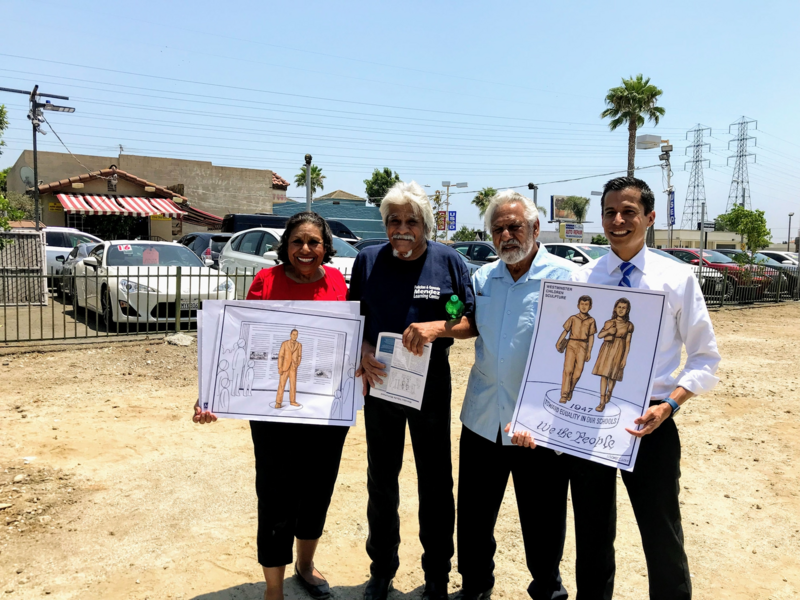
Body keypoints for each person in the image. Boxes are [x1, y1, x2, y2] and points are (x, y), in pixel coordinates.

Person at [510, 177, 721, 600]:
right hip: (593, 421)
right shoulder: (583, 278)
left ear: (649, 217)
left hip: (653, 422)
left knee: (661, 530)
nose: (618, 220)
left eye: (628, 212)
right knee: (592, 532)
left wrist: (671, 406)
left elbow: (705, 359)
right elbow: (557, 353)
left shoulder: (676, 279)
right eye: (610, 212)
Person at [457, 190, 618, 600]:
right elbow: (463, 321)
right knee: (473, 516)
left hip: (538, 425)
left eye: (515, 226)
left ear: (534, 228)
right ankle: (475, 588)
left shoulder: (568, 279)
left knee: (543, 519)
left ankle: (547, 590)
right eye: (499, 229)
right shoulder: (482, 278)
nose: (507, 235)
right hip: (482, 417)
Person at [193, 211, 349, 600]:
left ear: (325, 247)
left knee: (318, 489)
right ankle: (274, 589)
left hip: (325, 412)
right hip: (272, 415)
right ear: (285, 246)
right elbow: (239, 342)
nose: (306, 249)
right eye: (297, 242)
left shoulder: (337, 281)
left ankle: (305, 565)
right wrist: (211, 393)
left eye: (314, 242)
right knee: (276, 493)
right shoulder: (266, 281)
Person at [349, 181, 476, 600]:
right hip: (381, 382)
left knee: (436, 482)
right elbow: (355, 320)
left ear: (425, 224)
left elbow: (468, 321)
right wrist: (364, 347)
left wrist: (437, 326)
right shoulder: (368, 261)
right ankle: (381, 571)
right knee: (381, 480)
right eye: (394, 221)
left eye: (411, 221)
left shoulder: (448, 262)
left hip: (430, 387)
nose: (402, 229)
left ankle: (436, 575)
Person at [592, 298, 634, 411]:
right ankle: (601, 402)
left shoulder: (629, 325)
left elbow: (628, 343)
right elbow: (600, 335)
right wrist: (609, 331)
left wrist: (624, 358)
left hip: (619, 349)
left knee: (613, 375)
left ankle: (609, 391)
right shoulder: (609, 322)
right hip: (607, 349)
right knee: (604, 375)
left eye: (624, 308)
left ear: (627, 310)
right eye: (619, 307)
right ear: (615, 308)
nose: (621, 310)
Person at [556, 295, 596, 403]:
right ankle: (564, 394)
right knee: (568, 370)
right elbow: (565, 331)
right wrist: (559, 341)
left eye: (586, 304)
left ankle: (570, 389)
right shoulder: (573, 318)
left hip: (583, 346)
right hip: (571, 344)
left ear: (590, 307)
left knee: (578, 372)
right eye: (582, 304)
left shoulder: (591, 320)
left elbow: (591, 336)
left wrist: (589, 351)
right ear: (578, 305)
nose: (584, 307)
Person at [276, 329, 302, 408]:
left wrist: (297, 364)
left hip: (293, 368)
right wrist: (280, 367)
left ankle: (293, 401)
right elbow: (280, 356)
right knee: (281, 385)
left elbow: (299, 356)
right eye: (293, 334)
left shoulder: (299, 345)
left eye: (296, 334)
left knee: (293, 385)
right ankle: (278, 402)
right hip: (284, 367)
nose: (295, 336)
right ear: (290, 335)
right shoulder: (284, 343)